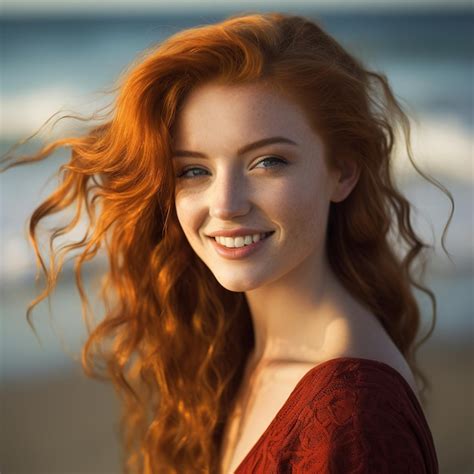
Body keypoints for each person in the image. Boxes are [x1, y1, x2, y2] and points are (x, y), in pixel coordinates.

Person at [0, 11, 450, 474]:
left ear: (343, 170)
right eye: (194, 170)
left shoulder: (354, 420)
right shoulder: (239, 346)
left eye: (268, 161)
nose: (226, 204)